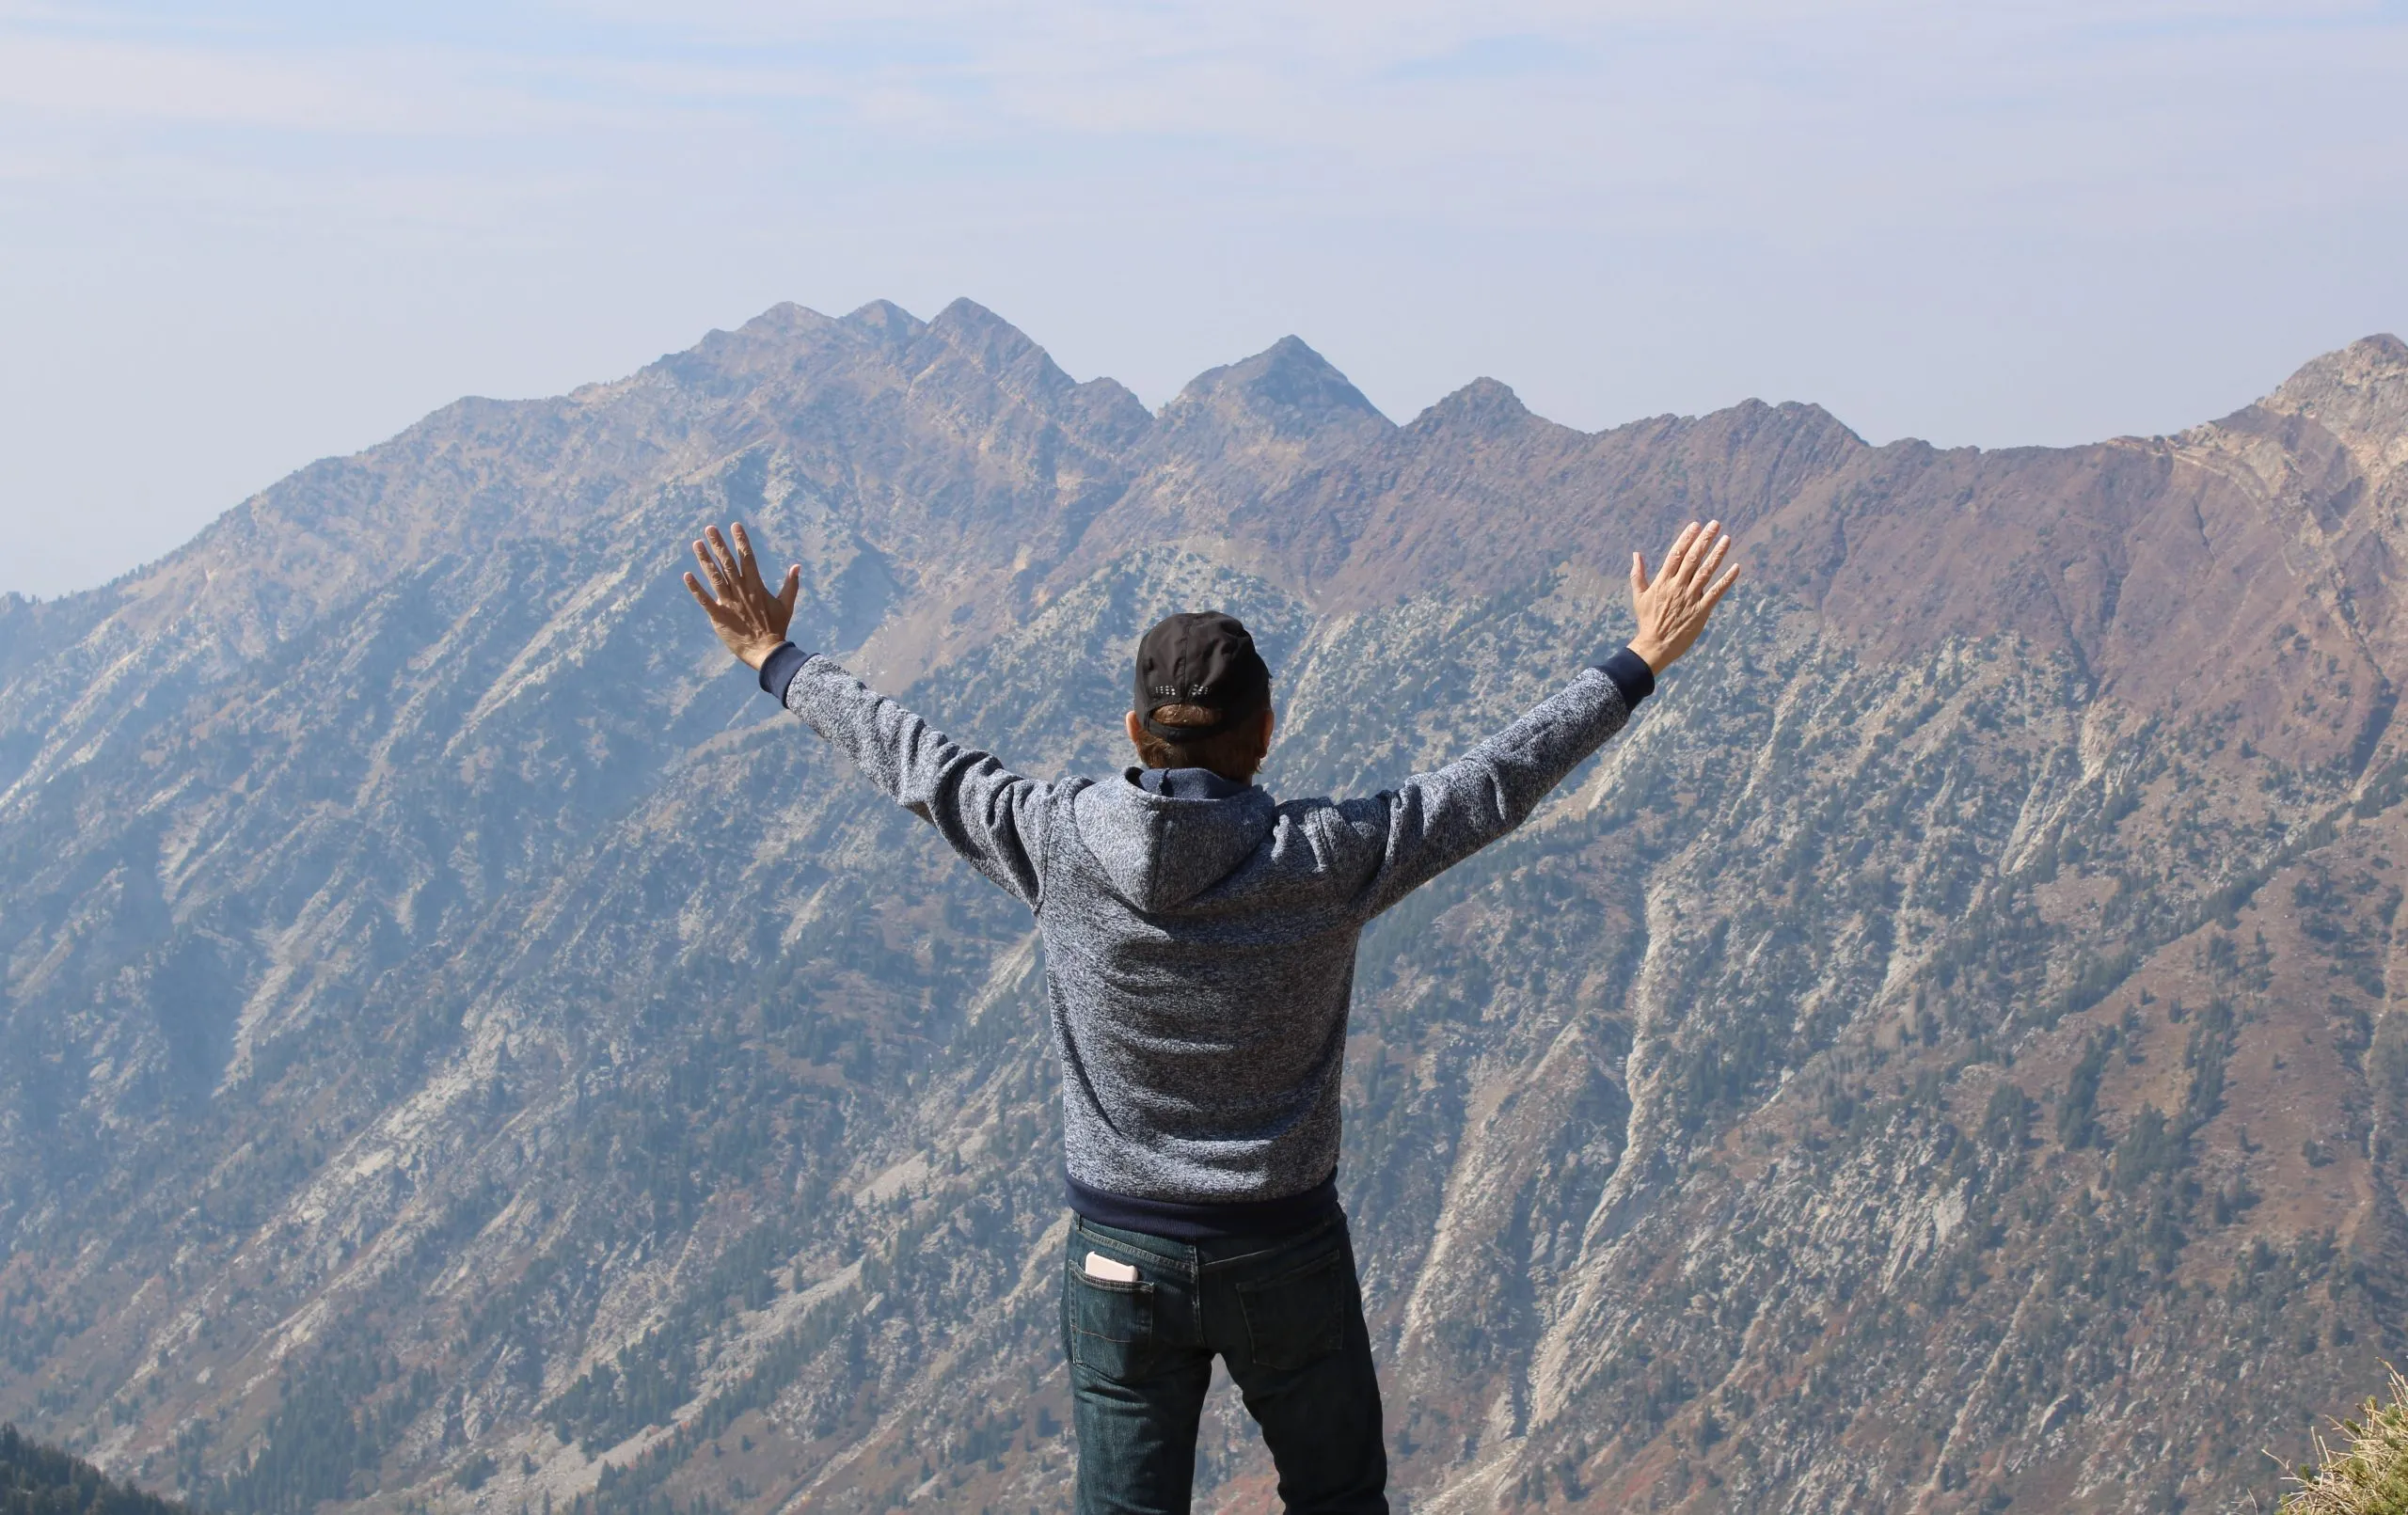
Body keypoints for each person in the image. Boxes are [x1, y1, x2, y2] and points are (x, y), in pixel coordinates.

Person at [684, 518, 1738, 1515]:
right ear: (1267, 733)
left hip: (1118, 1257)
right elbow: (1492, 784)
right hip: (1286, 1252)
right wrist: (1637, 659)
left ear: (1136, 731)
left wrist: (776, 657)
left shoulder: (1052, 838)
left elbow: (910, 753)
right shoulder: (1328, 859)